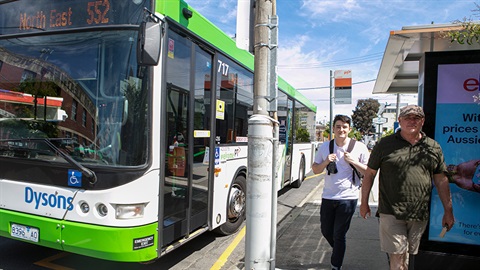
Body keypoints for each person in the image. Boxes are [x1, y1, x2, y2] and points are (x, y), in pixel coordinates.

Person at [360, 105, 455, 270]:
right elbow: (369, 174)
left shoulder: (433, 147)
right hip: (391, 211)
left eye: (416, 118)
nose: (412, 121)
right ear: (399, 121)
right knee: (397, 255)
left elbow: (441, 180)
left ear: (422, 121)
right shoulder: (385, 144)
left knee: (407, 255)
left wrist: (448, 210)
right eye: (408, 117)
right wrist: (364, 202)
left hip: (419, 213)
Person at [312, 114, 369, 270]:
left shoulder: (359, 147)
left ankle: (336, 265)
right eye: (338, 126)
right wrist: (326, 161)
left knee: (339, 233)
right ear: (333, 129)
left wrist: (353, 161)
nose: (341, 129)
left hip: (348, 197)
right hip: (328, 196)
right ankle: (338, 249)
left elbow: (369, 172)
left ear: (349, 129)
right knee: (326, 230)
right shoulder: (325, 147)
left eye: (344, 127)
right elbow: (315, 169)